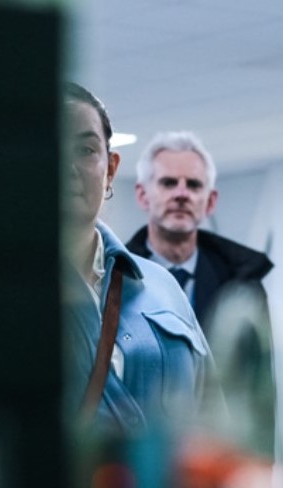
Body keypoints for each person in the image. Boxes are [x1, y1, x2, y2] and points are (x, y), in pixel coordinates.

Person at [62, 83, 209, 437]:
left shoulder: (162, 287)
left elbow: (212, 415)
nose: (68, 167)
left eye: (85, 149)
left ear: (110, 169)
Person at [125, 131, 276, 451]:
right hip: (142, 455)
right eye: (168, 183)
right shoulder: (115, 282)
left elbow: (259, 394)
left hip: (222, 459)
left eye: (193, 185)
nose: (182, 194)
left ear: (210, 201)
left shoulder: (244, 285)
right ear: (142, 195)